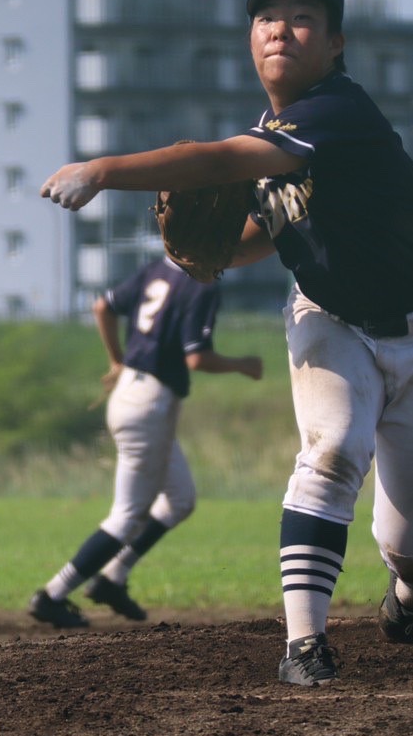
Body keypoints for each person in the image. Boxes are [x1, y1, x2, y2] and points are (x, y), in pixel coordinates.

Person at [40, 0, 413, 686]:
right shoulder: (278, 138)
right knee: (331, 452)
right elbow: (269, 233)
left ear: (335, 44)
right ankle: (305, 644)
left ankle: (412, 594)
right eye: (269, 16)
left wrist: (106, 169)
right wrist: (206, 257)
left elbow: (215, 161)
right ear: (252, 37)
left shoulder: (338, 112)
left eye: (304, 16)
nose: (283, 28)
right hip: (331, 315)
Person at [28, 255, 263, 629]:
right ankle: (52, 595)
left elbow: (103, 306)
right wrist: (243, 364)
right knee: (126, 516)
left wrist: (117, 361)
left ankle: (112, 578)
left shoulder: (161, 267)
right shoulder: (201, 282)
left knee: (180, 500)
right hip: (149, 407)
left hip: (136, 395)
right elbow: (196, 358)